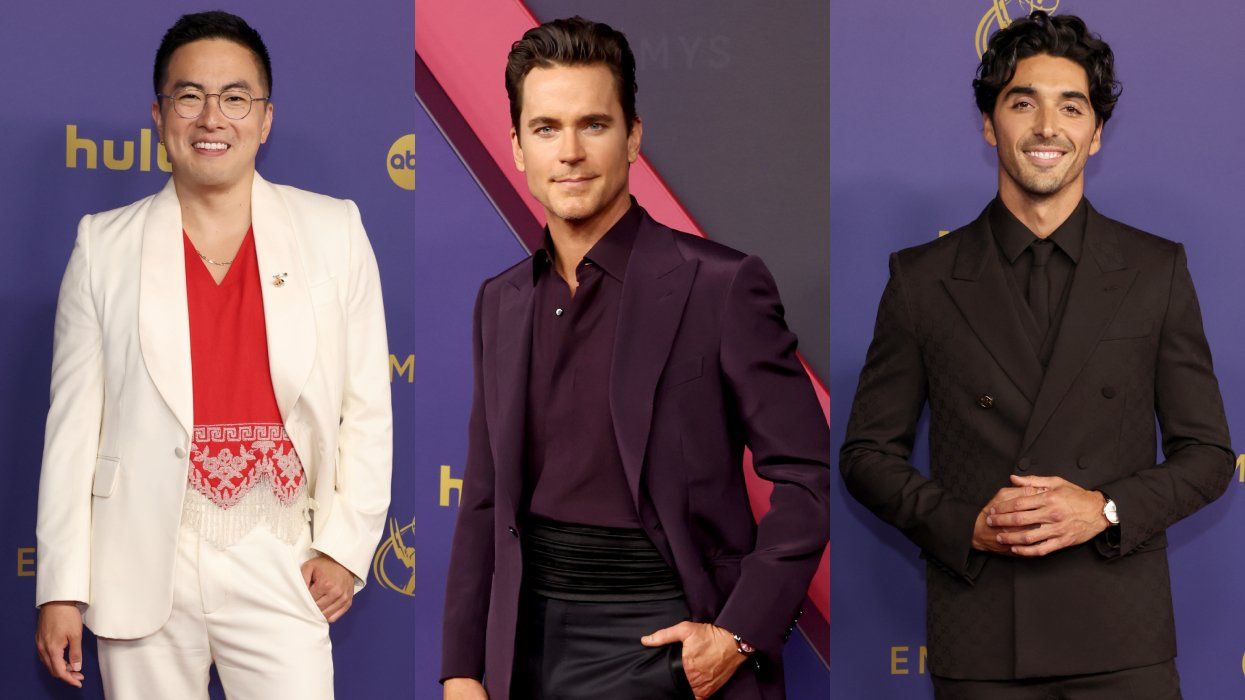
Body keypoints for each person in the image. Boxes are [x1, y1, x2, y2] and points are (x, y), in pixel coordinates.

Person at [840, 11, 1232, 699]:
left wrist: (1103, 508)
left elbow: (1205, 455)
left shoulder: (1154, 270)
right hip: (985, 637)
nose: (1047, 127)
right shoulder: (921, 279)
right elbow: (866, 454)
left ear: (1095, 132)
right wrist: (966, 525)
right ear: (989, 124)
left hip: (1122, 640)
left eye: (1070, 107)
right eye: (1022, 103)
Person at [439, 16, 829, 700]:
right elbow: (483, 499)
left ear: (633, 137)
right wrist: (462, 669)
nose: (569, 152)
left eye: (593, 124)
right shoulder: (498, 302)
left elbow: (805, 476)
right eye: (545, 128)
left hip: (670, 640)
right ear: (516, 147)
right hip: (528, 647)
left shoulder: (720, 285)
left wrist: (735, 636)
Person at [33, 11, 392, 698]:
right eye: (189, 96)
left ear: (265, 117)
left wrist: (346, 549)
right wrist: (60, 588)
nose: (211, 118)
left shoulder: (333, 231)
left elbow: (365, 408)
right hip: (139, 561)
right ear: (160, 114)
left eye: (235, 98)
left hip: (279, 550)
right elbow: (72, 430)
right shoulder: (103, 245)